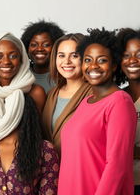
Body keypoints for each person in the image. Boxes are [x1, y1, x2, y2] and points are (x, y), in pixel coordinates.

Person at [0, 32, 58, 194]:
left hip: (24, 165)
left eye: (13, 55)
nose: (6, 62)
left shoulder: (35, 92)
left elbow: (37, 132)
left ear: (22, 59)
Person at [58, 28, 137, 195]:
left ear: (114, 64)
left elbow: (117, 166)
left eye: (101, 60)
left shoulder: (120, 102)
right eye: (88, 59)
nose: (93, 66)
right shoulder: (86, 102)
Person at [42, 33, 92, 156]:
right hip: (50, 170)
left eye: (74, 55)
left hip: (80, 167)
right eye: (61, 55)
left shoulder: (95, 94)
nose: (67, 61)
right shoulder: (51, 94)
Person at [117, 28, 140, 195]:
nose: (132, 60)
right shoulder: (116, 96)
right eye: (126, 55)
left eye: (139, 55)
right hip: (121, 184)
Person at [21, 19, 64, 92]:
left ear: (56, 47)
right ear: (26, 47)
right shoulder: (21, 74)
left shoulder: (64, 76)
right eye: (34, 45)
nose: (40, 49)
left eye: (46, 45)